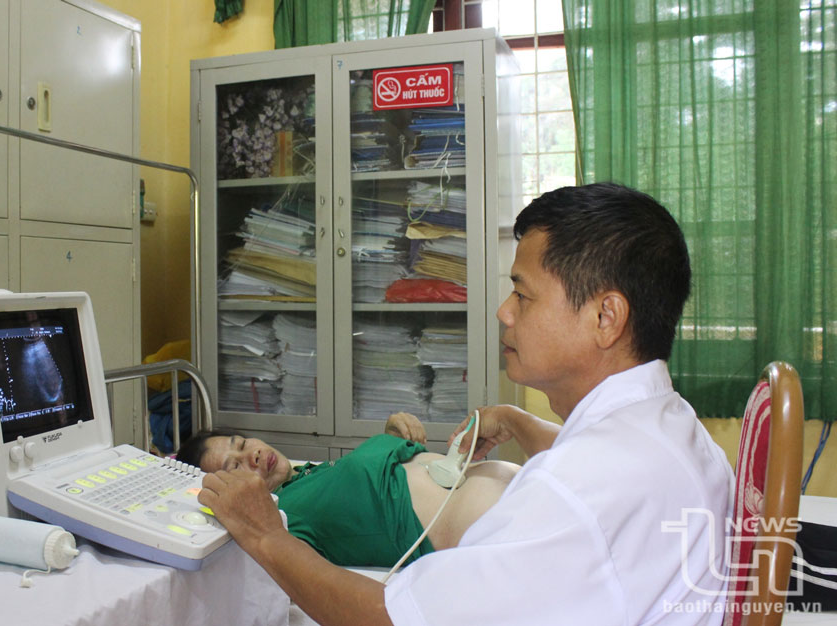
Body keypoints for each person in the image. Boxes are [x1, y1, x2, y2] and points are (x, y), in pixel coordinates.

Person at [199, 183, 734, 625]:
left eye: (522, 294)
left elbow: (393, 619)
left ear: (605, 318)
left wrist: (265, 535)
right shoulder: (671, 427)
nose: (504, 312)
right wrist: (516, 419)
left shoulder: (573, 493)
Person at [177, 412, 520, 567]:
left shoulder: (310, 474)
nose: (250, 455)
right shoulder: (281, 517)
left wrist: (391, 436)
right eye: (235, 467)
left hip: (515, 494)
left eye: (241, 443)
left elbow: (357, 496)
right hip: (499, 526)